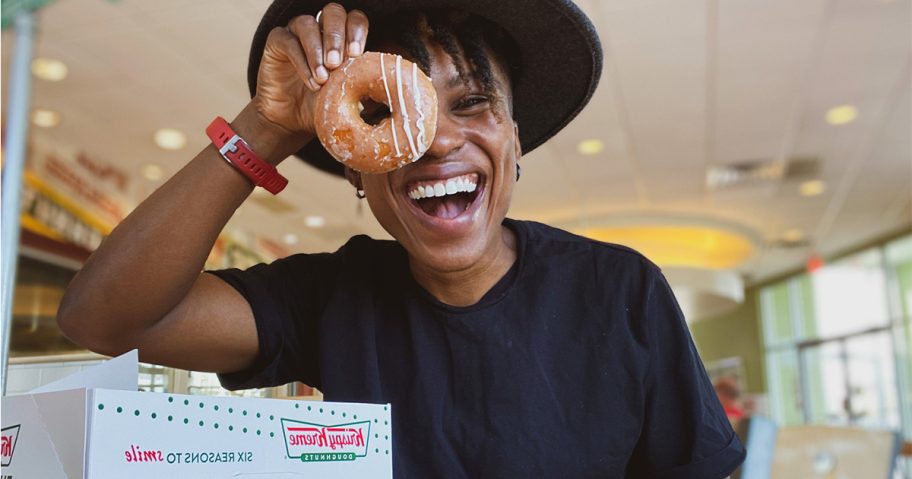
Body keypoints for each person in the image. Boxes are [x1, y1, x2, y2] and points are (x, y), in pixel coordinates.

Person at [58, 0, 746, 477]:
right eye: (388, 112)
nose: (438, 139)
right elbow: (103, 316)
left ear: (514, 138)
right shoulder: (331, 297)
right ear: (359, 168)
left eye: (473, 102)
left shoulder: (619, 291)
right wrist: (265, 126)